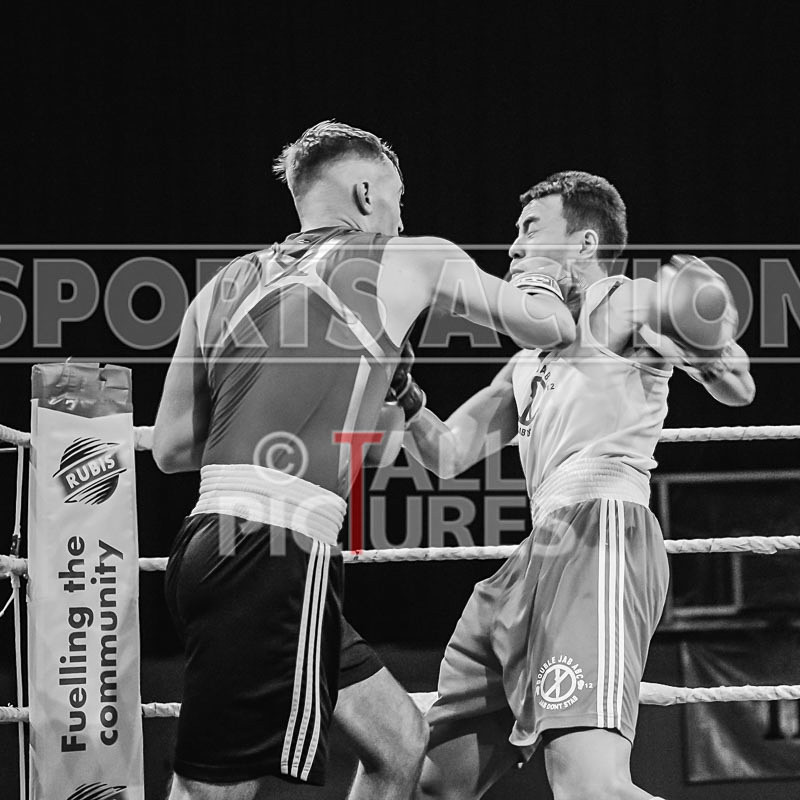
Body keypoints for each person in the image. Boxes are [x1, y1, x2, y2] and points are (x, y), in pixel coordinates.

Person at [152, 122, 577, 800]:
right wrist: (546, 275)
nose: (403, 214)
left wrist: (288, 416)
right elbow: (549, 327)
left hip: (209, 543)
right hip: (270, 549)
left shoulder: (222, 286)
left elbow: (170, 446)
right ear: (364, 189)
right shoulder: (409, 256)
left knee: (399, 743)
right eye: (397, 197)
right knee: (213, 790)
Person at [403, 171, 755, 800]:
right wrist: (400, 389)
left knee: (590, 786)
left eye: (530, 229)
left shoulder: (627, 300)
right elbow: (448, 452)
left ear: (585, 243)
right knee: (433, 785)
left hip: (602, 534)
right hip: (532, 559)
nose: (512, 247)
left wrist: (707, 326)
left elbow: (737, 385)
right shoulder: (526, 361)